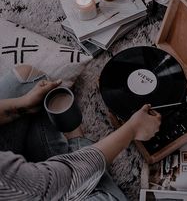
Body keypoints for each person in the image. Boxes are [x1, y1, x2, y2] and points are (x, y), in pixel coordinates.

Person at [0, 65, 161, 200]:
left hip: (18, 178)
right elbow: (67, 179)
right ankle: (77, 141)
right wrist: (132, 130)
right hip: (31, 184)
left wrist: (21, 106)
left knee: (28, 77)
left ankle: (54, 153)